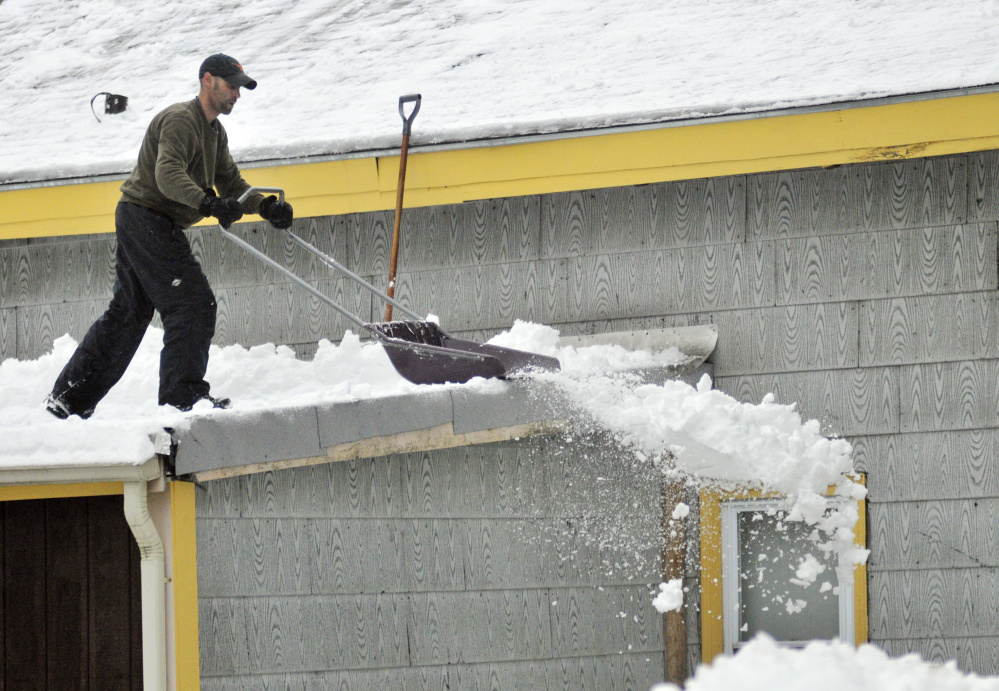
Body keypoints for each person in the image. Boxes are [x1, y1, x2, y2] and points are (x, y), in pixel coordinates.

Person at [45, 54, 294, 419]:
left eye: (240, 89)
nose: (237, 95)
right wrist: (208, 203)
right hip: (146, 216)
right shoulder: (180, 120)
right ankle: (183, 398)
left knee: (128, 314)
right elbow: (167, 174)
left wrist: (265, 207)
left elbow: (231, 183)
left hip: (146, 219)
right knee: (193, 303)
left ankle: (67, 399)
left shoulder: (214, 132)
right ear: (207, 81)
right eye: (231, 86)